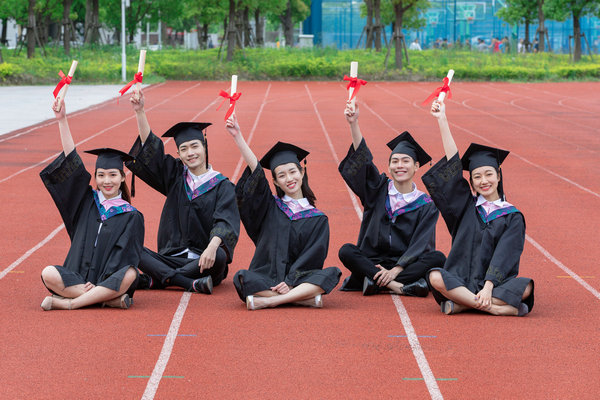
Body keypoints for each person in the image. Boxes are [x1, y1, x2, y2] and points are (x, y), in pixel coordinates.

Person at [423, 99, 534, 316]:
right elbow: (453, 168)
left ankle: (464, 304)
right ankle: (496, 309)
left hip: (494, 285)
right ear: (471, 182)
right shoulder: (466, 207)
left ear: (498, 175)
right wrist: (442, 120)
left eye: (489, 174)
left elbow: (506, 254)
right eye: (477, 176)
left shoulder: (512, 216)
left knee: (527, 287)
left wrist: (489, 285)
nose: (484, 180)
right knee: (435, 277)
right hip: (461, 279)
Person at [126, 90, 240, 294]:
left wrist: (212, 247)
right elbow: (153, 153)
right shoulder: (176, 176)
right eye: (184, 149)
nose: (190, 153)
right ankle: (185, 281)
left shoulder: (222, 186)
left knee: (220, 257)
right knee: (130, 245)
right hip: (172, 255)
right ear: (178, 153)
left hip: (204, 259)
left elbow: (226, 222)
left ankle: (159, 279)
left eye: (195, 146)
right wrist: (140, 111)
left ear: (204, 146)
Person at [225, 114, 341, 310]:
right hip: (267, 275)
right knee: (242, 278)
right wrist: (238, 137)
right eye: (281, 175)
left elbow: (313, 257)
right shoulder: (270, 207)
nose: (289, 178)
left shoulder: (318, 219)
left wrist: (290, 281)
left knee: (331, 273)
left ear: (302, 173)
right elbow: (256, 175)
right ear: (276, 182)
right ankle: (303, 298)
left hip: (299, 279)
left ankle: (271, 300)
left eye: (292, 171)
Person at [39, 99, 144, 310]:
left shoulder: (132, 216)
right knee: (48, 273)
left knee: (131, 274)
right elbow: (72, 162)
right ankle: (106, 299)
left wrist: (103, 281)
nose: (107, 181)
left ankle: (69, 304)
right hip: (78, 276)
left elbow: (125, 256)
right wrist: (62, 120)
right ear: (95, 177)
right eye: (101, 175)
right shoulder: (86, 201)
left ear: (123, 178)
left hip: (108, 279)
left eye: (113, 175)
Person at [338, 102, 446, 297]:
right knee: (346, 251)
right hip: (372, 260)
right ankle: (398, 287)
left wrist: (397, 269)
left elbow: (421, 243)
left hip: (404, 264)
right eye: (394, 161)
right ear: (388, 168)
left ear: (416, 166)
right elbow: (364, 161)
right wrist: (353, 123)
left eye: (406, 161)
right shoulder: (378, 189)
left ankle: (375, 281)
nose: (400, 166)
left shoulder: (426, 205)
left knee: (438, 258)